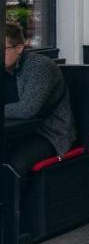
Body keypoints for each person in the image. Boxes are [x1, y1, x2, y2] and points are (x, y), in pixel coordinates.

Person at [2, 22, 73, 181]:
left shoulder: (39, 67)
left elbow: (28, 109)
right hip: (14, 132)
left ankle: (14, 206)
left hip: (48, 133)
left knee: (14, 162)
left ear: (19, 48)